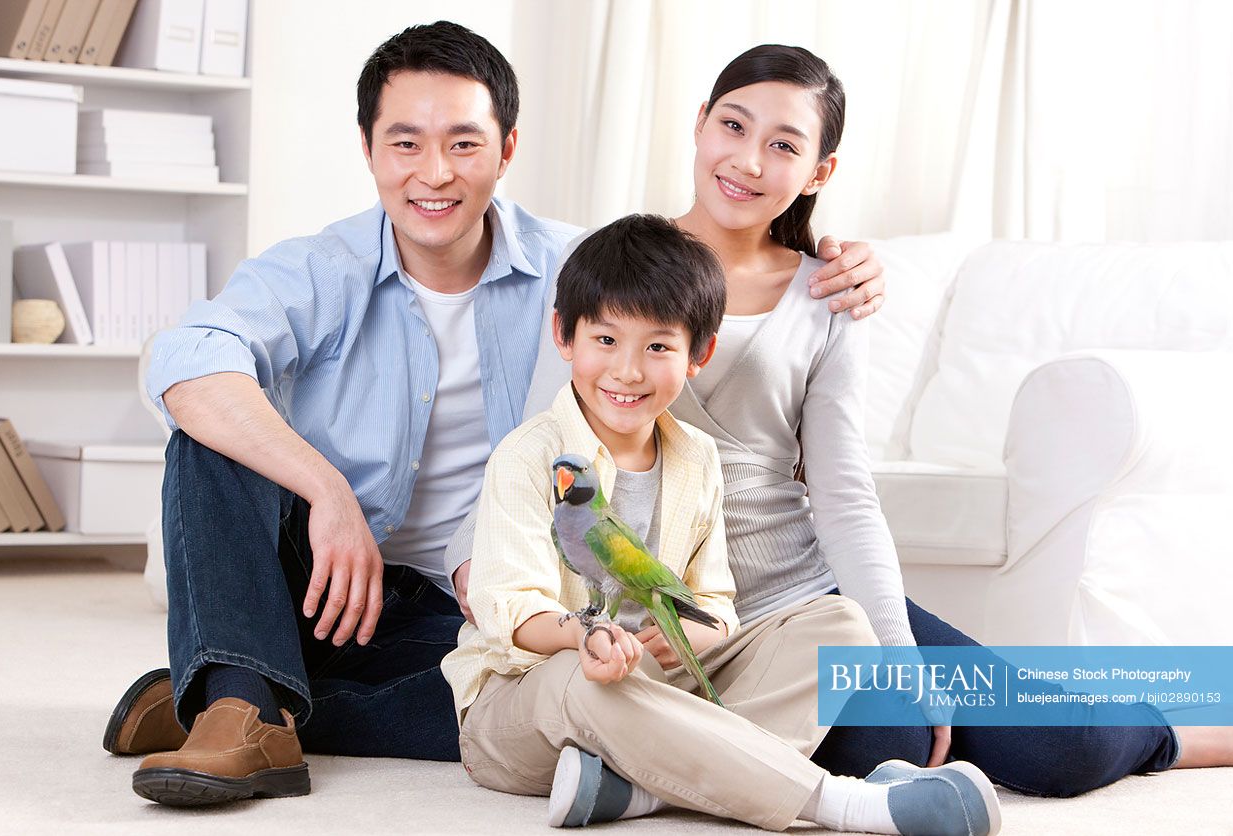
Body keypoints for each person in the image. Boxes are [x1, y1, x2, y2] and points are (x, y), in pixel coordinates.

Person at [102, 22, 885, 807]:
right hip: (328, 578)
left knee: (534, 707)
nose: (434, 174)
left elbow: (703, 313)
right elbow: (187, 360)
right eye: (404, 144)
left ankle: (226, 687)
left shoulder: (578, 271)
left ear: (508, 150)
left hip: (516, 602)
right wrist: (328, 494)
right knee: (205, 439)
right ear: (369, 149)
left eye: (464, 145)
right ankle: (239, 704)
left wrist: (844, 257)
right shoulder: (321, 269)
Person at [521, 42, 1233, 802]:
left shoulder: (827, 294)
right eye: (732, 126)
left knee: (1055, 749)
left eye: (784, 145)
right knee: (876, 747)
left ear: (818, 171)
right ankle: (665, 764)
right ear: (699, 125)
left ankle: (1183, 728)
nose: (749, 161)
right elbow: (537, 447)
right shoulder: (603, 267)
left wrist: (896, 655)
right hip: (661, 619)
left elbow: (843, 494)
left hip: (800, 607)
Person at [448, 213, 1001, 834]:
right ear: (564, 336)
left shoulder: (695, 457)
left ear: (698, 355)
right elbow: (510, 612)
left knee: (843, 625)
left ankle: (645, 789)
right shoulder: (530, 458)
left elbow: (715, 600)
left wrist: (696, 634)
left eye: (658, 346)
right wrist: (587, 636)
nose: (628, 371)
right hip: (534, 697)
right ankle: (844, 804)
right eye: (606, 341)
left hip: (661, 681)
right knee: (587, 681)